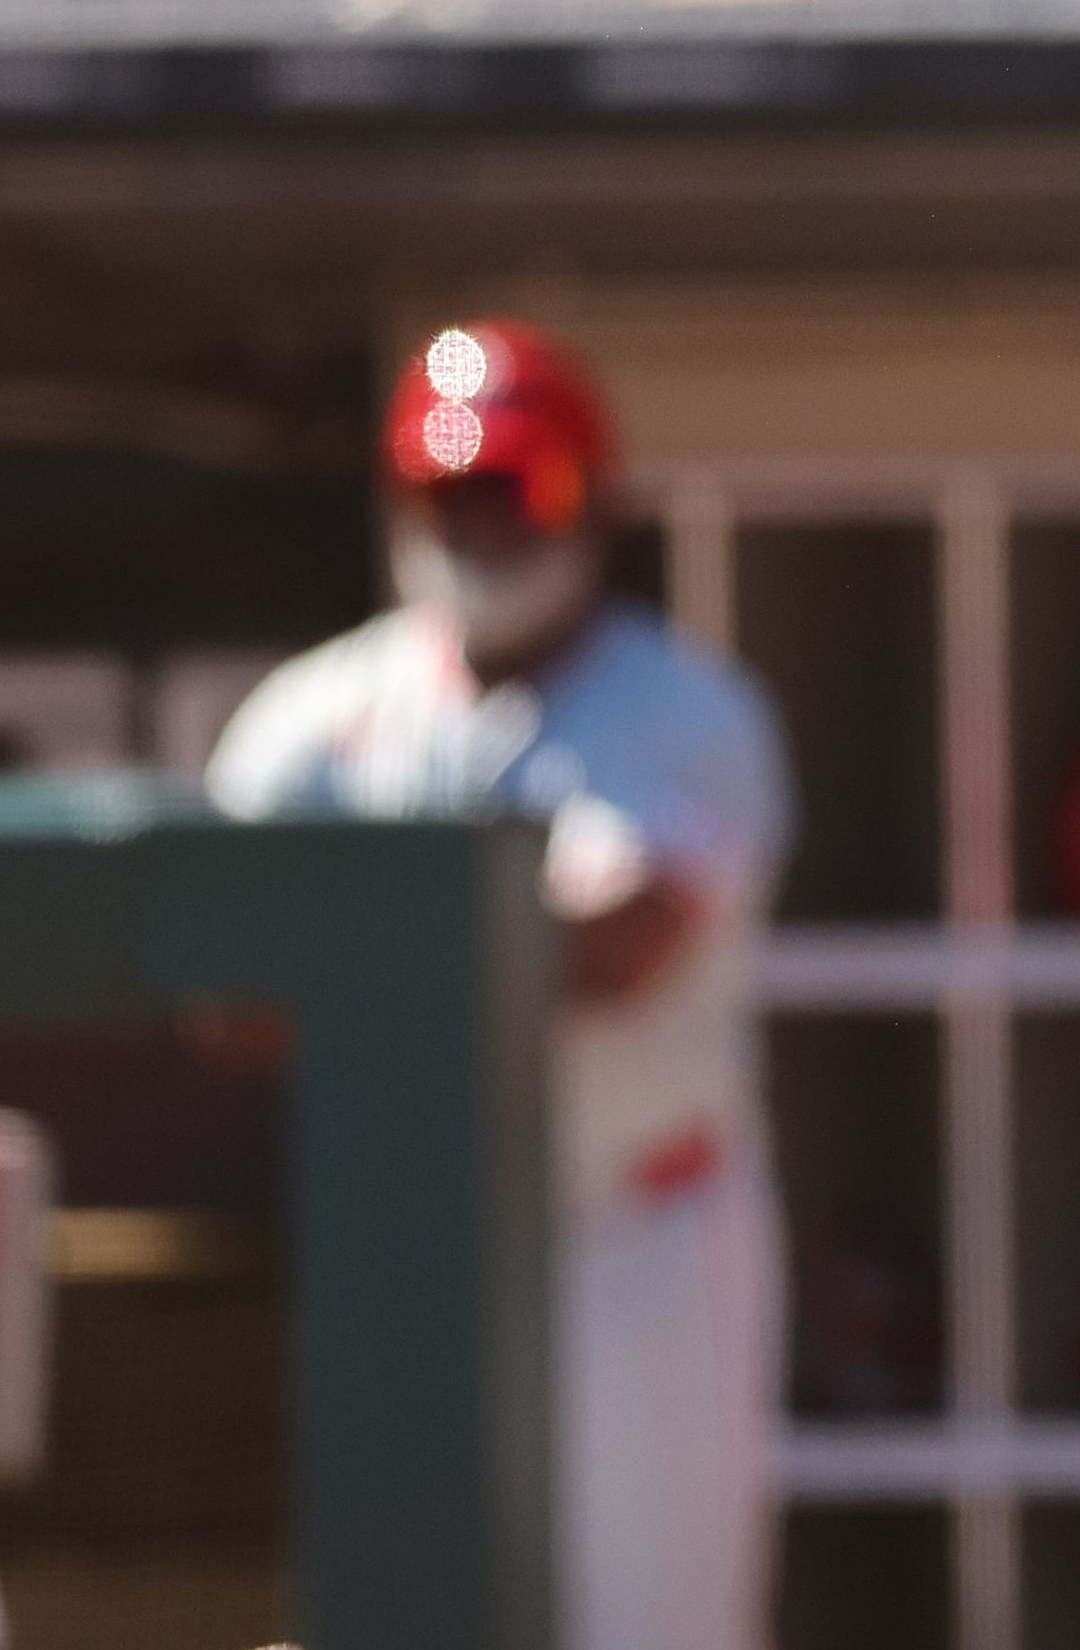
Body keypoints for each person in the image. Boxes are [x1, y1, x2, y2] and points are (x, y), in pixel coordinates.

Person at [208, 321, 795, 1650]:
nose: (478, 519)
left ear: (597, 498)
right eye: (448, 486)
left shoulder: (680, 705)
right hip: (410, 1234)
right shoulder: (321, 708)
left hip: (634, 1222)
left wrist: (348, 944)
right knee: (400, 1609)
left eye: (515, 485)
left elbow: (614, 948)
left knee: (651, 1621)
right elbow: (227, 991)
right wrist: (452, 936)